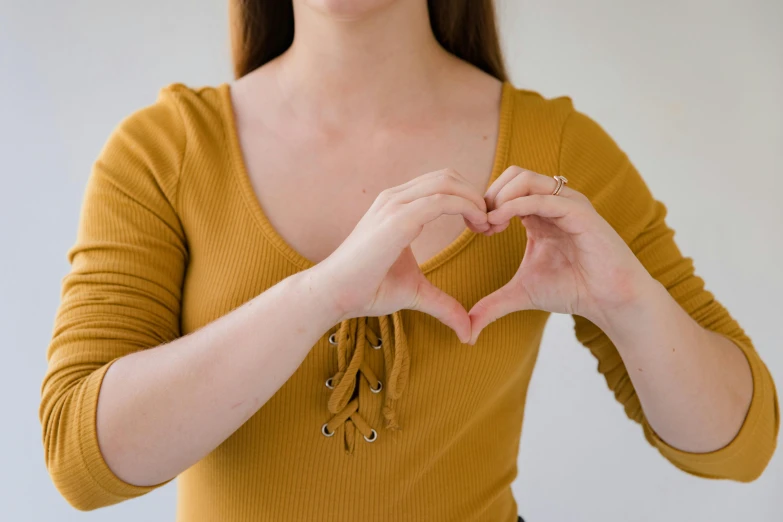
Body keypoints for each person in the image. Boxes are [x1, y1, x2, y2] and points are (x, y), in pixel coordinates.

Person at [39, 1, 778, 520]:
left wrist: (628, 300)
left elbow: (739, 449)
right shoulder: (163, 151)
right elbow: (80, 461)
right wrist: (320, 296)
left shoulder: (559, 150)